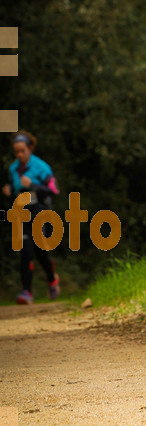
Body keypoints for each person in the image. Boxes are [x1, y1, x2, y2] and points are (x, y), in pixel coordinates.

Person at [2, 130, 61, 304]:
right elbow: (15, 190)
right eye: (16, 152)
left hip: (40, 212)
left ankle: (52, 280)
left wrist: (33, 185)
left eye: (22, 151)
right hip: (22, 213)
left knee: (41, 252)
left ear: (30, 148)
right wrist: (9, 190)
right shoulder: (13, 168)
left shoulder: (41, 167)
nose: (19, 155)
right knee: (25, 252)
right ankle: (26, 292)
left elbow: (54, 190)